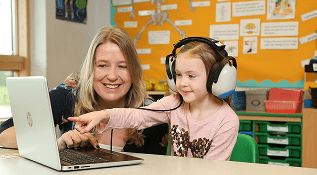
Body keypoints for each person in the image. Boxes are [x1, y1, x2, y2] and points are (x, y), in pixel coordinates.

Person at [0, 26, 169, 155]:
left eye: (123, 66)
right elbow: (4, 133)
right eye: (102, 65)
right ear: (91, 68)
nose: (112, 76)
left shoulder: (150, 112)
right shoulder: (69, 94)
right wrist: (56, 142)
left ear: (134, 71)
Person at [69, 37, 239, 161]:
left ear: (215, 78)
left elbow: (212, 173)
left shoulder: (227, 120)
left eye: (191, 76)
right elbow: (137, 116)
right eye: (178, 75)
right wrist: (103, 115)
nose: (182, 83)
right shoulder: (175, 103)